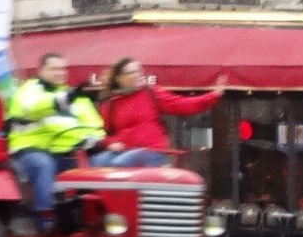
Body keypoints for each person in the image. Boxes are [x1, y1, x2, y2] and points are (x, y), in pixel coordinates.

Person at [7, 53, 106, 227]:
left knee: (98, 168)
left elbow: (94, 125)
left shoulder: (72, 95)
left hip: (62, 151)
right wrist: (67, 97)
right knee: (43, 165)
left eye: (63, 68)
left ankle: (96, 219)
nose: (60, 72)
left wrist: (94, 141)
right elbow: (33, 108)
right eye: (54, 69)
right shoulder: (28, 90)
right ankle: (44, 217)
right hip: (28, 149)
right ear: (41, 70)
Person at [93, 57, 226, 167]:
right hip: (124, 151)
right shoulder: (110, 104)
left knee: (120, 164)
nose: (139, 75)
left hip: (151, 151)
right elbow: (103, 133)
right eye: (132, 72)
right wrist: (110, 143)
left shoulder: (150, 92)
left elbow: (180, 104)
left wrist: (212, 96)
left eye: (139, 71)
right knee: (95, 163)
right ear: (119, 78)